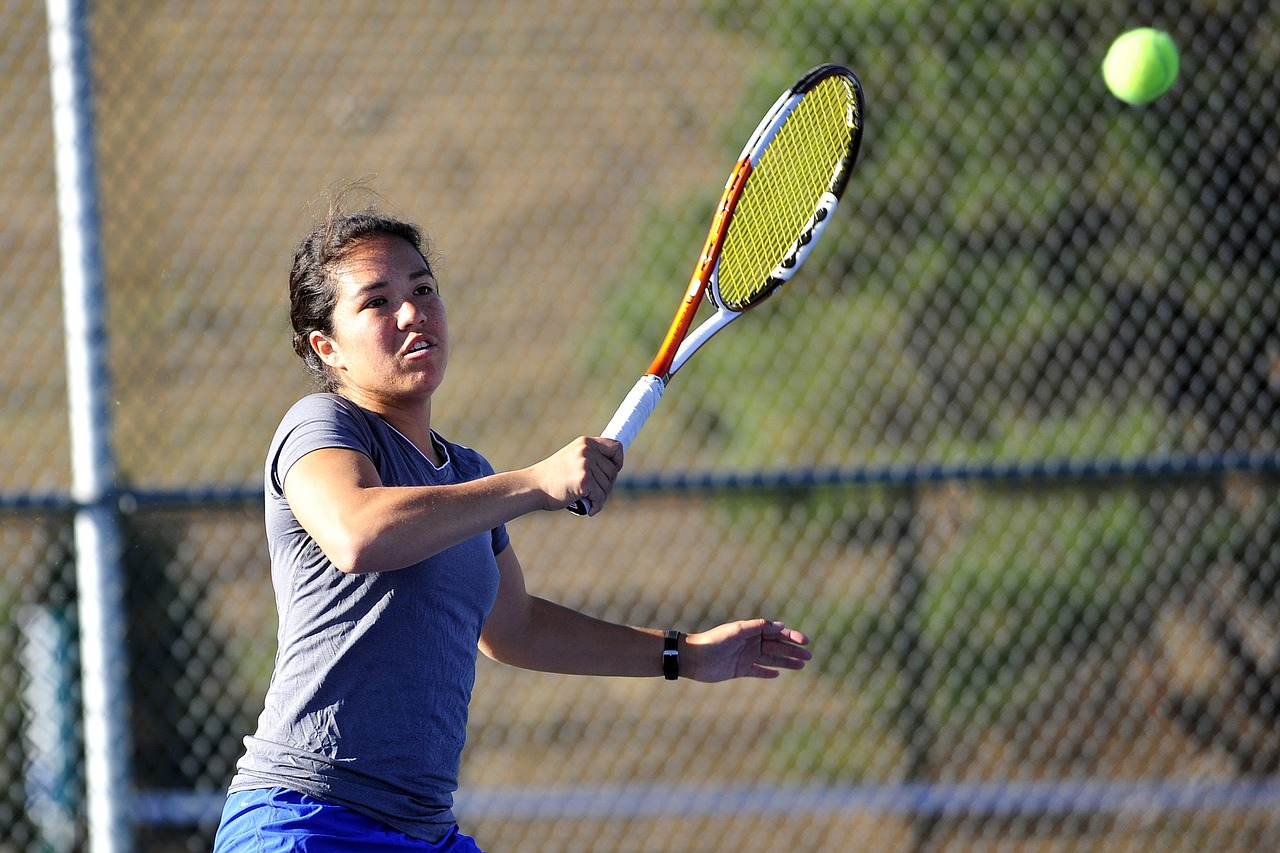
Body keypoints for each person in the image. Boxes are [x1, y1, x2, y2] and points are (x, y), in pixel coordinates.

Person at [212, 199, 812, 852]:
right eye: (377, 302)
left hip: (426, 831)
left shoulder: (466, 471)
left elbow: (515, 626)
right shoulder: (321, 427)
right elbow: (357, 534)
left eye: (422, 289)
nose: (412, 311)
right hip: (308, 822)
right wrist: (535, 483)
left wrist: (686, 654)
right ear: (329, 348)